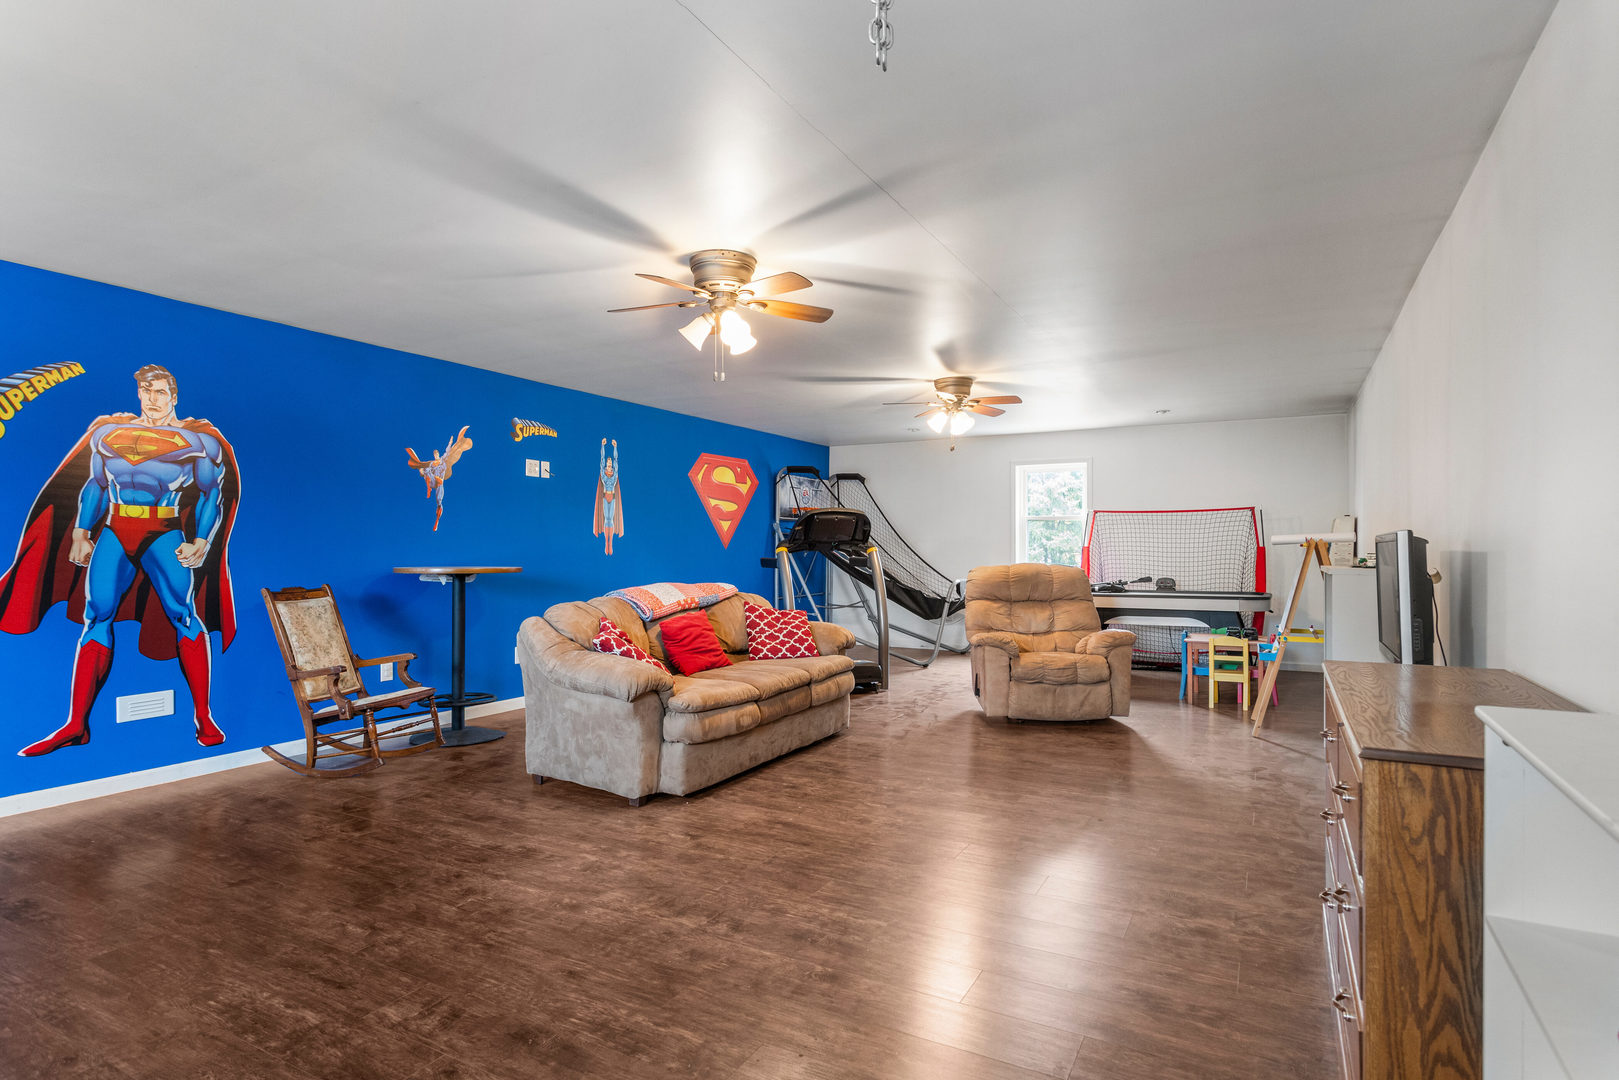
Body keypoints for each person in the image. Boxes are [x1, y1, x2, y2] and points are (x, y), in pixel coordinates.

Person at [0, 365, 241, 756]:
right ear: (139, 393)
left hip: (163, 531)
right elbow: (95, 484)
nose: (152, 398)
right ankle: (76, 725)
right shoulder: (108, 434)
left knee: (183, 614)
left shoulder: (198, 442)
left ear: (174, 396)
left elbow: (211, 493)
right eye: (146, 390)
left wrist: (202, 540)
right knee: (96, 616)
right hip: (115, 528)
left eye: (160, 391)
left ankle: (203, 715)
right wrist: (81, 532)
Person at [406, 426, 472, 532]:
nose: (436, 455)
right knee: (426, 469)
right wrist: (419, 466)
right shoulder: (432, 464)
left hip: (439, 482)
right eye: (434, 454)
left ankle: (437, 521)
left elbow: (448, 452)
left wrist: (451, 443)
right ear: (433, 455)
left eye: (437, 454)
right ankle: (428, 488)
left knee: (439, 501)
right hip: (432, 482)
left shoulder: (442, 461)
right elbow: (423, 467)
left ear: (438, 454)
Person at [593, 437, 623, 555]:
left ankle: (611, 544)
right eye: (608, 463)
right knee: (607, 519)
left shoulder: (614, 474)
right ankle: (607, 543)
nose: (609, 464)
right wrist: (603, 446)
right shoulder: (603, 473)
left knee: (611, 519)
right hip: (606, 497)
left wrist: (615, 447)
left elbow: (616, 460)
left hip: (612, 496)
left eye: (610, 463)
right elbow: (601, 460)